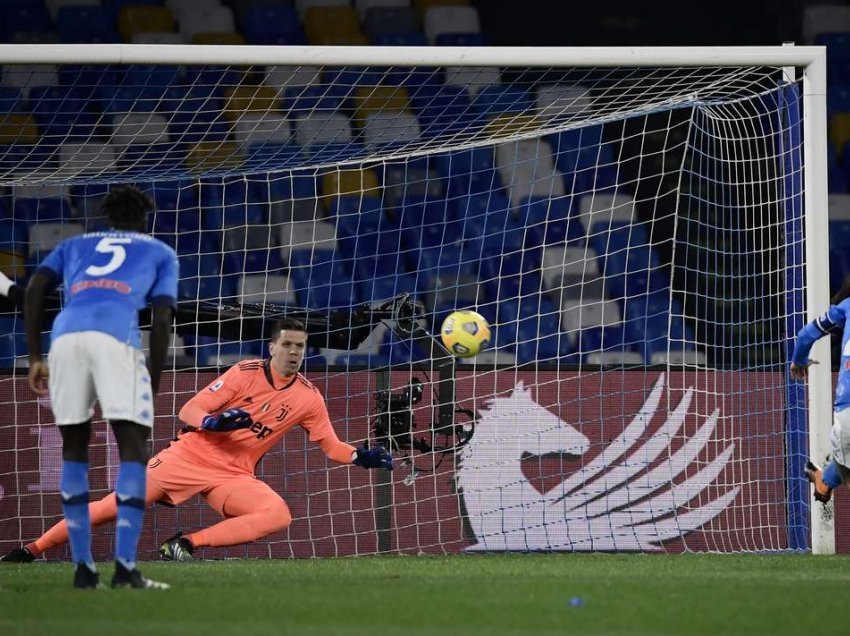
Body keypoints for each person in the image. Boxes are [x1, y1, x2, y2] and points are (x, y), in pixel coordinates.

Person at [2, 316, 392, 565]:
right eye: (287, 344)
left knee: (277, 515)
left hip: (232, 474)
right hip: (188, 456)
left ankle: (185, 544)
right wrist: (215, 422)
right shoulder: (244, 372)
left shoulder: (308, 397)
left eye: (300, 346)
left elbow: (330, 446)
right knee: (113, 507)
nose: (293, 352)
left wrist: (361, 456)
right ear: (272, 347)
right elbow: (188, 411)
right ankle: (31, 550)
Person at [19, 185, 178, 590]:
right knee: (133, 449)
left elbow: (35, 288)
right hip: (114, 338)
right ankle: (125, 569)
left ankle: (83, 570)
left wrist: (36, 355)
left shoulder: (75, 245)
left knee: (74, 447)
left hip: (65, 337)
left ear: (107, 217)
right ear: (143, 218)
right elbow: (161, 322)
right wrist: (153, 380)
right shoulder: (159, 251)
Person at [792, 277, 850, 505]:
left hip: (845, 416)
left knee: (845, 461)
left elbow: (805, 335)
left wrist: (798, 360)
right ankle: (824, 480)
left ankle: (823, 480)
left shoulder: (845, 306)